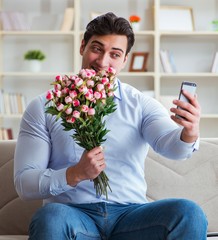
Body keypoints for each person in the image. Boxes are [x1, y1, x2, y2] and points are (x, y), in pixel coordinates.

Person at [14, 12, 207, 240]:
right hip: (73, 215)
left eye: (115, 54)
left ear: (125, 60)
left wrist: (189, 132)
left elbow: (171, 147)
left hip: (132, 217)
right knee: (50, 217)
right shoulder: (43, 107)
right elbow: (25, 184)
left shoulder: (141, 104)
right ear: (82, 46)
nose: (103, 62)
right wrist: (74, 174)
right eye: (97, 49)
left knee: (189, 214)